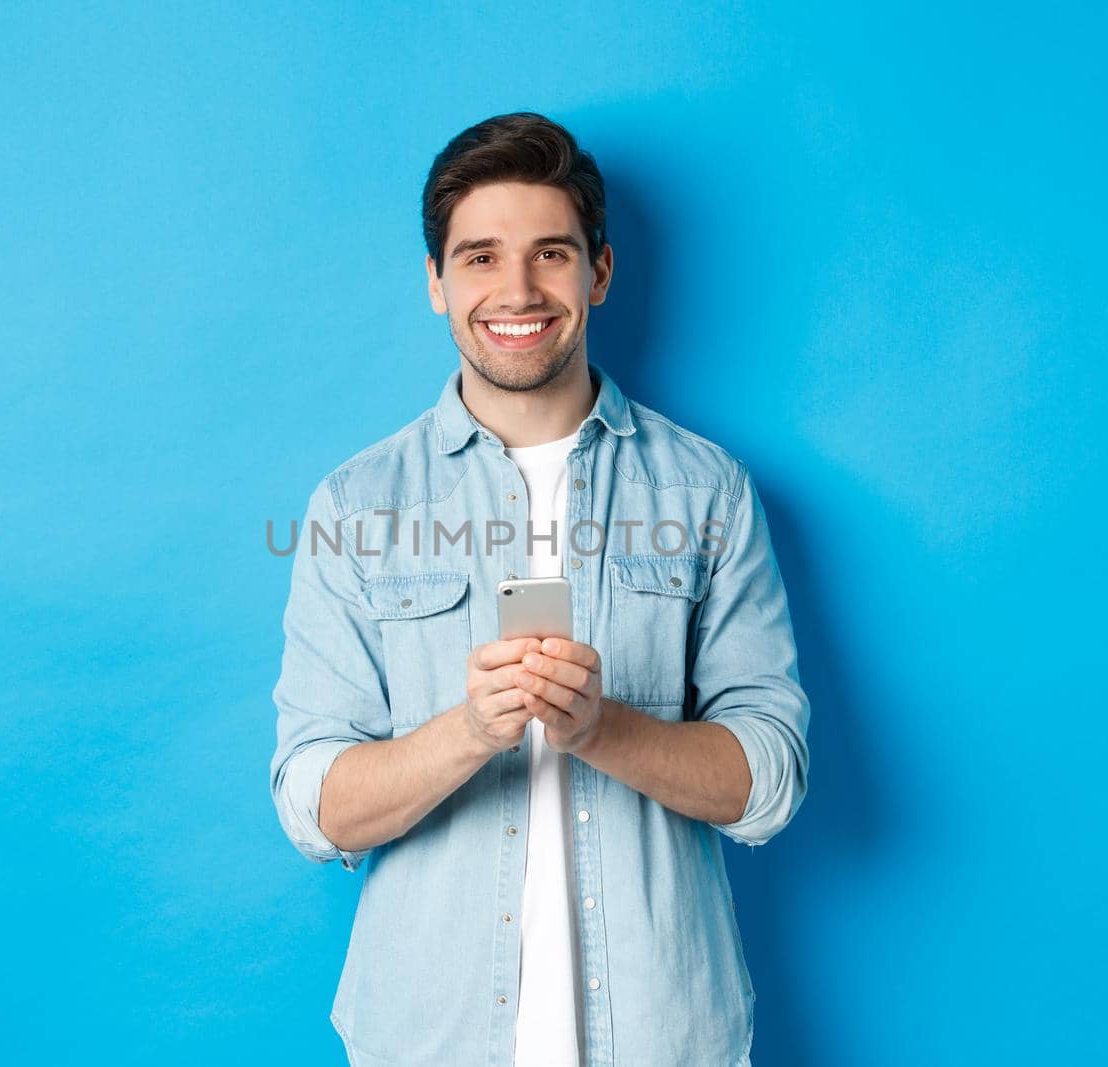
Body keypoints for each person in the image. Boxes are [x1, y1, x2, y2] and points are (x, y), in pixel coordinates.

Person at [269, 111, 810, 1067]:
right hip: (427, 1040)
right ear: (436, 283)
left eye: (550, 253)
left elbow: (769, 779)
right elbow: (316, 806)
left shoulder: (709, 491)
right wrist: (472, 729)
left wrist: (602, 726)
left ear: (598, 273)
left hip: (664, 1036)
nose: (516, 290)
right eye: (479, 257)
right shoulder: (355, 504)